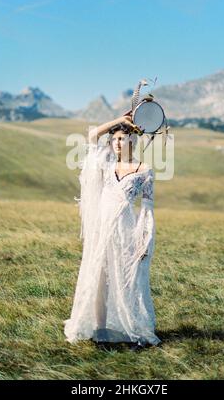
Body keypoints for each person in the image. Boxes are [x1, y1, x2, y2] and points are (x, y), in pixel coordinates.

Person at [64, 113, 162, 349]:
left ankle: (132, 326)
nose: (118, 143)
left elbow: (147, 210)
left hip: (125, 230)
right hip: (101, 228)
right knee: (99, 278)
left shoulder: (144, 170)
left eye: (123, 139)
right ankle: (100, 331)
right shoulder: (106, 161)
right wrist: (120, 119)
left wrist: (144, 240)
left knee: (126, 280)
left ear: (133, 141)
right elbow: (91, 136)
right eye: (115, 139)